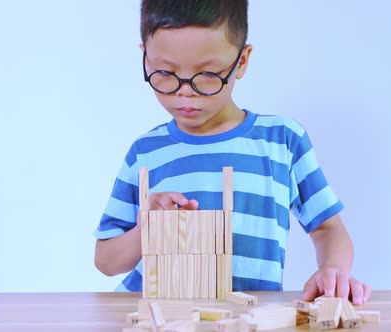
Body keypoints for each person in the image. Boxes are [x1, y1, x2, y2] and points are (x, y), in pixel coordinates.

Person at [94, 0, 371, 305]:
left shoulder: (281, 141)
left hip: (248, 316)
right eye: (165, 73)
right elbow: (106, 260)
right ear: (145, 58)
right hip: (160, 318)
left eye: (208, 74)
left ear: (241, 62)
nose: (185, 91)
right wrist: (147, 228)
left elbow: (328, 228)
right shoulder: (144, 151)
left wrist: (332, 269)